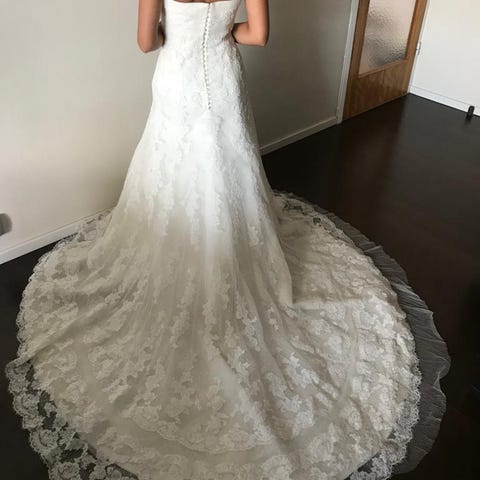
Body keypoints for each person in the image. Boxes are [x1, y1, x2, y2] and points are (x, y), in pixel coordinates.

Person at [5, 1, 449, 479]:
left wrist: (177, 28)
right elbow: (258, 35)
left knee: (172, 169)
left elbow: (146, 42)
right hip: (221, 80)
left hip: (177, 82)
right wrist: (218, 30)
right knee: (224, 167)